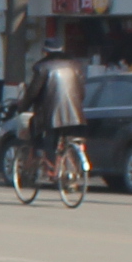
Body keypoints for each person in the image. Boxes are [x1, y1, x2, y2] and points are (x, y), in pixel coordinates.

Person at [18, 44, 87, 183]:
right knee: (67, 139)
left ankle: (49, 166)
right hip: (76, 114)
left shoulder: (42, 67)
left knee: (39, 133)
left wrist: (22, 107)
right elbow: (82, 92)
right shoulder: (75, 66)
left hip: (52, 114)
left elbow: (32, 92)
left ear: (45, 52)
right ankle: (69, 169)